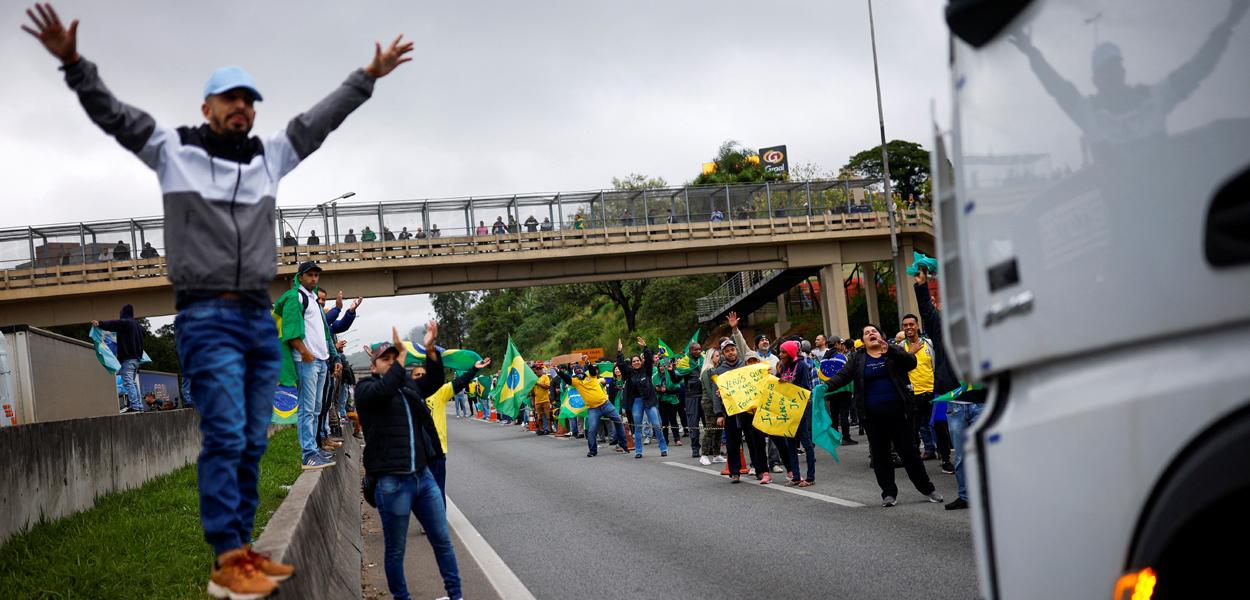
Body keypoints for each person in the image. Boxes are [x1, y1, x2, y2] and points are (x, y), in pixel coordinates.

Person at [24, 3, 413, 595]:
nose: (243, 107)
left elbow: (317, 122)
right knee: (226, 434)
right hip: (206, 316)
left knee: (254, 437)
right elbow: (116, 116)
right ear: (206, 107)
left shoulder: (267, 158)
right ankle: (228, 556)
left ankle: (246, 553)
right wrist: (74, 63)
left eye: (250, 100)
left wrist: (370, 75)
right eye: (230, 98)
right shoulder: (172, 150)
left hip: (257, 316)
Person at [355, 325, 462, 600]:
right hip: (392, 483)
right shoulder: (366, 389)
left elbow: (435, 381)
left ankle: (455, 595)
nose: (392, 363)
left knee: (442, 541)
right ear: (374, 366)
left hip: (423, 477)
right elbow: (385, 388)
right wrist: (400, 360)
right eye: (386, 359)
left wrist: (429, 349)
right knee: (395, 550)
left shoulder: (407, 386)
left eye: (395, 358)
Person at [823, 323, 943, 507]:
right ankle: (888, 493)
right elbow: (842, 377)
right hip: (872, 417)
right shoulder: (857, 358)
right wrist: (824, 387)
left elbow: (912, 363)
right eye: (866, 333)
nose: (871, 333)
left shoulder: (893, 351)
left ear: (881, 335)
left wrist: (891, 351)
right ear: (862, 340)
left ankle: (928, 488)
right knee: (881, 456)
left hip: (899, 414)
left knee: (910, 453)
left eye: (874, 331)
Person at [914, 267, 985, 510]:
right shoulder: (941, 327)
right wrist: (922, 285)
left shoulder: (984, 326)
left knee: (989, 453)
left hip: (984, 401)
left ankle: (994, 494)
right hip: (957, 404)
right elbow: (926, 310)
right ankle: (966, 496)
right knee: (962, 456)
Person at [275, 261, 339, 470]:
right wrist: (304, 352)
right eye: (309, 275)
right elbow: (291, 331)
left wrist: (333, 358)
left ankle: (314, 448)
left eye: (316, 275)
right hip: (306, 362)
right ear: (300, 277)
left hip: (320, 361)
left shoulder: (312, 299)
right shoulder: (296, 297)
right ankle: (308, 454)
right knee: (307, 408)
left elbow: (325, 333)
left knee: (317, 408)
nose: (313, 278)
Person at [419, 353, 489, 505]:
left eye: (423, 375)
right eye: (416, 375)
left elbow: (459, 383)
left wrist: (474, 370)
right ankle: (428, 520)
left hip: (436, 450)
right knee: (420, 491)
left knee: (437, 487)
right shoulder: (408, 394)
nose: (420, 378)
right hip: (417, 452)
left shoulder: (439, 392)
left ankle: (438, 521)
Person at [709, 316, 767, 483]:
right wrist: (719, 413)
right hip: (731, 412)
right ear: (723, 354)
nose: (731, 352)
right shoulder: (719, 372)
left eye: (732, 349)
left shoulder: (746, 365)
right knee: (733, 443)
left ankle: (759, 469)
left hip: (749, 410)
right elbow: (716, 393)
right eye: (727, 351)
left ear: (736, 350)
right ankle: (735, 472)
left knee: (754, 441)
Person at [557, 357, 629, 457]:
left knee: (618, 422)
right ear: (575, 374)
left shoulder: (591, 375)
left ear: (583, 370)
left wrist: (587, 362)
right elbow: (566, 378)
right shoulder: (576, 382)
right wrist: (558, 372)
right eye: (577, 373)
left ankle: (624, 446)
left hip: (605, 404)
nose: (579, 374)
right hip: (593, 409)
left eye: (580, 371)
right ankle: (592, 451)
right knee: (592, 430)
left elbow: (591, 369)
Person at [617, 337, 667, 459]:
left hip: (649, 401)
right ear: (632, 364)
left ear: (641, 361)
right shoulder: (629, 373)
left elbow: (649, 359)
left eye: (637, 360)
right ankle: (638, 451)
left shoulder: (647, 370)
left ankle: (663, 448)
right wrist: (619, 352)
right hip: (636, 402)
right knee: (638, 426)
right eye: (633, 361)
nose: (636, 362)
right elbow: (621, 365)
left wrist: (645, 347)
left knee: (656, 424)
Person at [776, 340, 816, 486]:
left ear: (791, 352)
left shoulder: (802, 366)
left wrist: (787, 384)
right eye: (780, 351)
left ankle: (810, 477)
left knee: (806, 443)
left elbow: (804, 388)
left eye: (784, 352)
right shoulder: (783, 366)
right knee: (790, 444)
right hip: (787, 409)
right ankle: (796, 476)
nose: (781, 355)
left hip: (801, 408)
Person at [901, 312, 940, 461]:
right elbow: (898, 368)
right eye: (905, 325)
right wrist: (910, 352)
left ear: (917, 326)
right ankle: (929, 449)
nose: (908, 327)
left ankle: (943, 452)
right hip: (913, 393)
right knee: (919, 425)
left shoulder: (929, 343)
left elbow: (935, 364)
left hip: (931, 390)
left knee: (936, 424)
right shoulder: (901, 347)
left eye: (911, 324)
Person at [93, 304, 145, 413]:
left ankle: (135, 406)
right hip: (137, 359)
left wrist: (100, 323)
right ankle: (139, 406)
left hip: (128, 358)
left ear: (123, 314)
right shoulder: (139, 327)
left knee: (128, 382)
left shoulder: (126, 323)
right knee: (133, 382)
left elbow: (114, 324)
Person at [697, 348, 725, 465]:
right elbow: (710, 391)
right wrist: (717, 405)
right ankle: (704, 454)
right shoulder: (707, 371)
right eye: (717, 356)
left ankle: (717, 454)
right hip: (709, 402)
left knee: (719, 428)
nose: (719, 358)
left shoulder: (716, 370)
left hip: (717, 401)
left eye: (719, 355)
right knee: (710, 428)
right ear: (711, 357)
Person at [679, 342, 705, 460]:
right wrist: (670, 370)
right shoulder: (684, 362)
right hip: (691, 397)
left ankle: (710, 448)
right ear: (690, 350)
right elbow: (676, 377)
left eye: (699, 349)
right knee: (693, 424)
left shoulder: (704, 360)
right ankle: (695, 448)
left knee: (709, 424)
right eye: (695, 350)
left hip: (705, 396)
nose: (698, 351)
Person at [654, 359, 682, 447]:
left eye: (663, 366)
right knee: (664, 421)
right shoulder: (655, 376)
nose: (661, 368)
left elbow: (678, 388)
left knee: (673, 420)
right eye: (660, 366)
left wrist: (667, 390)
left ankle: (677, 439)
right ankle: (665, 440)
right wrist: (657, 389)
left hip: (673, 400)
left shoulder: (672, 374)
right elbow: (652, 388)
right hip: (662, 401)